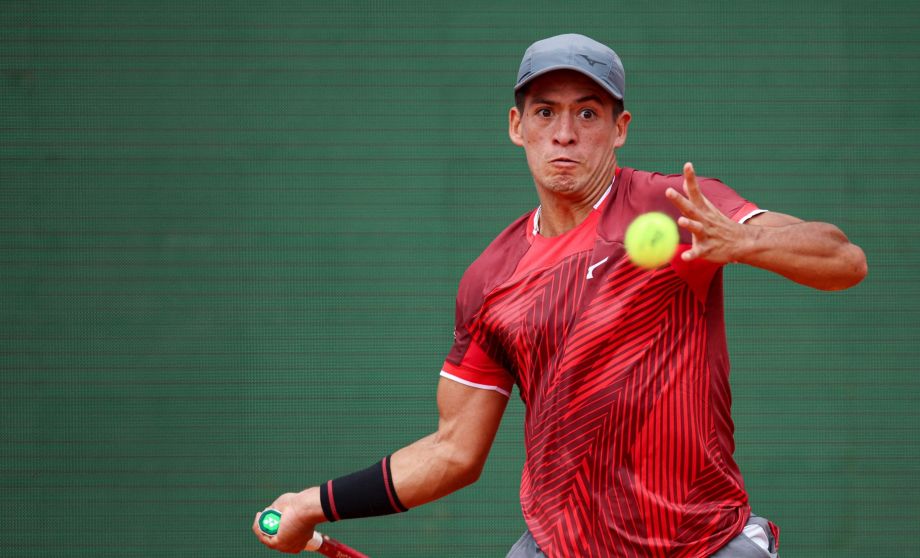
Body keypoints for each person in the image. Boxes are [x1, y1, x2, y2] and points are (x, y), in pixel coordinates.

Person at [253, 33, 867, 557]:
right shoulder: (490, 280)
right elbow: (452, 452)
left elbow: (844, 260)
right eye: (545, 112)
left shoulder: (675, 208)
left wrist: (743, 241)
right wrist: (312, 503)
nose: (565, 134)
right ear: (517, 127)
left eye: (588, 114)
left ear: (619, 129)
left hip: (704, 544)